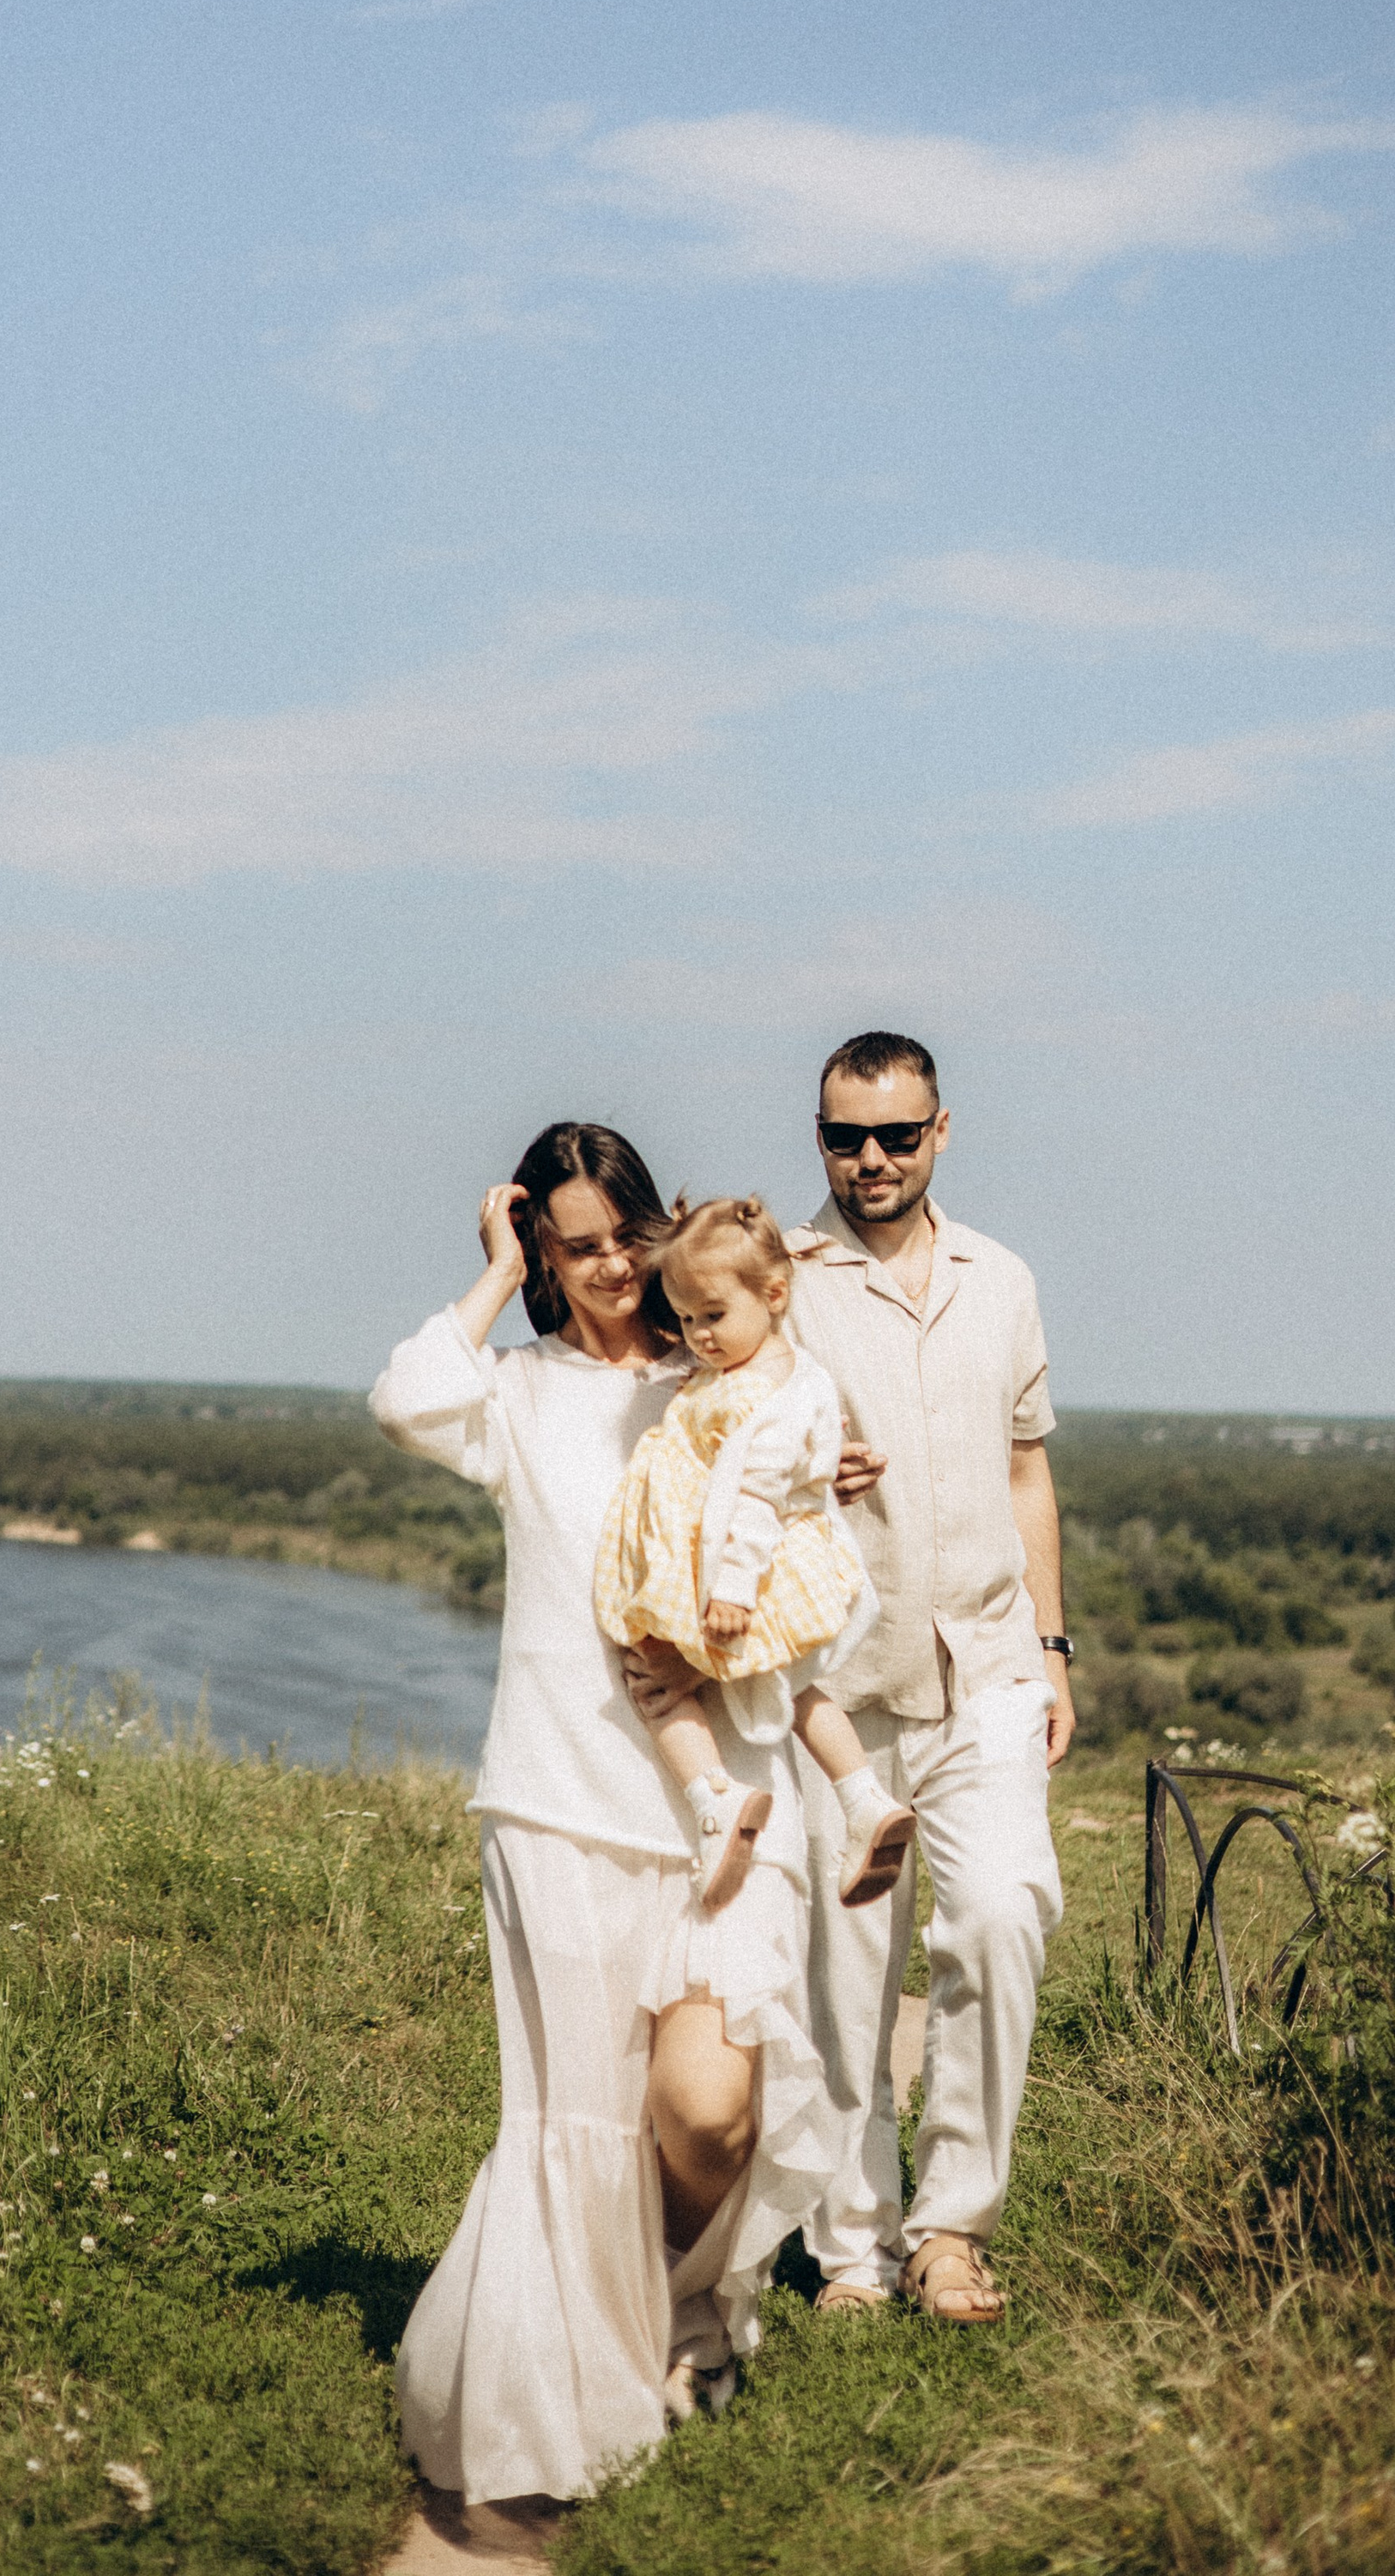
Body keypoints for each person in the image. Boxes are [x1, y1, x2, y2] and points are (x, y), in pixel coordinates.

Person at [372, 1122, 836, 2532]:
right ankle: (594, 2387)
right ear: (540, 1256)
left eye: (626, 1238)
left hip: (719, 1815)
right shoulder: (517, 1390)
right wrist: (490, 1272)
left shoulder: (714, 1375)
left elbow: (797, 1477)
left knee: (707, 2110)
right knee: (576, 2120)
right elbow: (404, 1394)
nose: (612, 1271)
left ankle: (672, 2312)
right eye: (573, 1250)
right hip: (558, 1805)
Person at [782, 1030, 1071, 2328]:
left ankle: (950, 2228)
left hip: (993, 1662)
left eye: (899, 1134)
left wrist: (1055, 1647)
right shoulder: (778, 1280)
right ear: (823, 1139)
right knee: (847, 1973)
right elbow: (698, 1449)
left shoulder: (1000, 1278)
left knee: (1003, 1915)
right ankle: (850, 2247)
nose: (873, 1159)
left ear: (942, 1131)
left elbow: (1027, 1470)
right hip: (840, 1689)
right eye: (848, 1136)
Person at [592, 1193, 917, 1916]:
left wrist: (732, 1589)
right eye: (684, 1318)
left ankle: (714, 1797)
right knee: (799, 1691)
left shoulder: (766, 1400)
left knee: (650, 1666)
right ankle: (862, 1799)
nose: (697, 1336)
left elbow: (757, 1500)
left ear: (774, 1295)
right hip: (757, 1566)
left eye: (711, 1316)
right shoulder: (769, 1373)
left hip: (743, 1571)